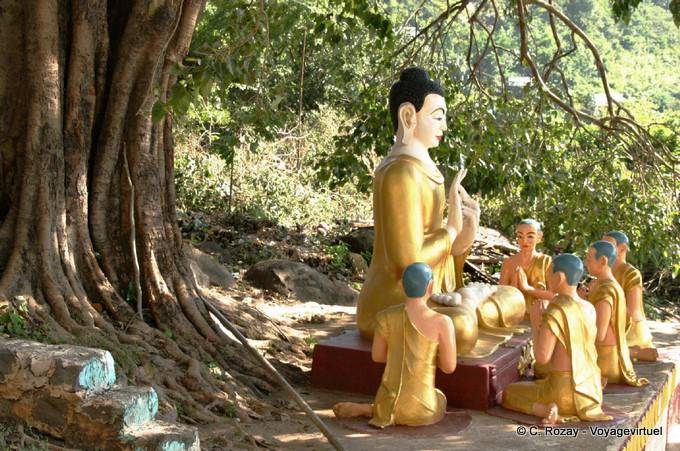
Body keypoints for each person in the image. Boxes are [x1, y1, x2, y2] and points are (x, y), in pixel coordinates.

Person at [356, 67, 480, 339]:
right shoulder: (400, 173)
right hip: (394, 299)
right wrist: (450, 231)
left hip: (432, 293)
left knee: (508, 300)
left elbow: (445, 252)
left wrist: (468, 227)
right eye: (437, 117)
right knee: (464, 328)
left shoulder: (424, 170)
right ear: (408, 115)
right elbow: (407, 263)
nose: (444, 127)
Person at [334, 262, 457, 428]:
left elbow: (377, 356)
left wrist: (400, 353)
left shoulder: (385, 316)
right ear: (431, 286)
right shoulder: (442, 322)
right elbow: (449, 367)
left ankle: (372, 409)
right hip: (423, 410)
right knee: (440, 397)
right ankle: (371, 409)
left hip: (386, 403)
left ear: (402, 286)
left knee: (389, 402)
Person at [502, 254, 611, 424]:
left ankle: (546, 410)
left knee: (508, 394)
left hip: (561, 391)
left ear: (559, 278)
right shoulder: (589, 307)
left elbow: (542, 357)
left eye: (549, 275)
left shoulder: (556, 310)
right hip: (590, 391)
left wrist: (536, 324)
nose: (547, 280)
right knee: (540, 380)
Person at [584, 241, 648, 386]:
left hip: (605, 358)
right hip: (609, 354)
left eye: (589, 258)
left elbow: (599, 334)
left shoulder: (605, 291)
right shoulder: (605, 285)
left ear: (602, 261)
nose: (586, 262)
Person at [602, 231, 657, 361]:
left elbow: (633, 310)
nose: (604, 249)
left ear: (623, 248)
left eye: (609, 245)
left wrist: (610, 318)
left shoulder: (632, 273)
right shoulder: (604, 272)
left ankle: (634, 352)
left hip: (629, 327)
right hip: (607, 323)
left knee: (602, 350)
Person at [499, 219, 553, 315]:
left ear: (539, 237)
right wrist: (514, 285)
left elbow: (554, 296)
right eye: (520, 236)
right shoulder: (508, 262)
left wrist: (527, 288)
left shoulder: (546, 261)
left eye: (530, 236)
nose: (524, 241)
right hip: (513, 316)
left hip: (539, 318)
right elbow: (501, 295)